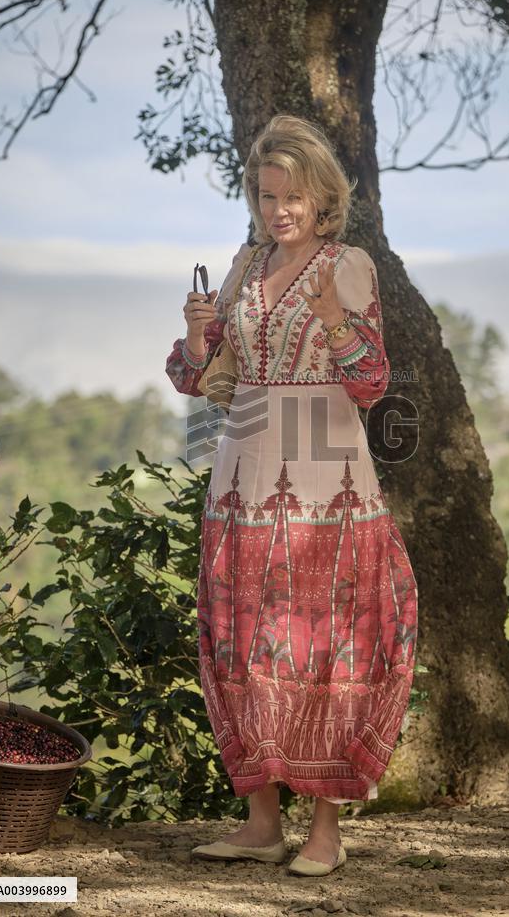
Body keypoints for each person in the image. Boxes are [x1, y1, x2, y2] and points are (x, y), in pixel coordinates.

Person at [165, 114, 418, 876]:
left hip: (327, 483)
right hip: (239, 476)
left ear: (321, 196)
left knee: (325, 651)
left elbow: (371, 385)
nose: (279, 210)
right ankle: (260, 824)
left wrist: (338, 323)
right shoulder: (244, 265)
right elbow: (199, 384)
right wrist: (197, 333)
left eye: (294, 196)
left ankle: (325, 831)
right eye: (267, 195)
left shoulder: (350, 265)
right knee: (244, 647)